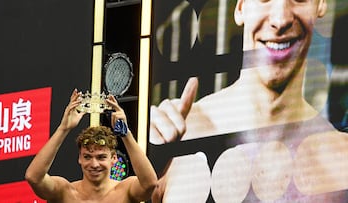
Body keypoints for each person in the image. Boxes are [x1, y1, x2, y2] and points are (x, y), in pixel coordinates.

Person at [149, 0, 348, 202]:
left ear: (321, 4)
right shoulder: (179, 136)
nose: (280, 20)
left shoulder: (341, 162)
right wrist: (140, 164)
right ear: (241, 7)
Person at [25, 89, 158, 203]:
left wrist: (126, 133)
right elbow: (33, 177)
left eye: (101, 157)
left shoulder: (125, 191)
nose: (94, 164)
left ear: (114, 159)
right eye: (88, 157)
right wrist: (63, 129)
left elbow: (150, 184)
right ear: (80, 158)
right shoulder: (65, 193)